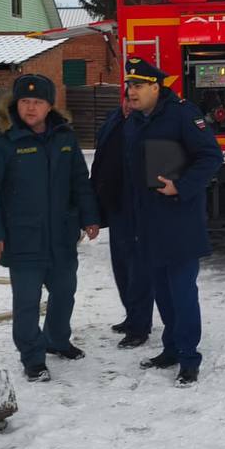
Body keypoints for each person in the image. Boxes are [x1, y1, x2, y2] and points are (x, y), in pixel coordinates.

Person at [0, 74, 101, 382]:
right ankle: (32, 356)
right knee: (27, 301)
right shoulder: (1, 140)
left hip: (61, 235)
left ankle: (57, 339)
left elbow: (80, 182)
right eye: (25, 101)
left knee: (65, 291)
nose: (31, 108)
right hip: (22, 236)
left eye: (38, 102)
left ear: (49, 105)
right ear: (16, 104)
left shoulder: (64, 137)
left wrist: (90, 217)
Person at [120, 57, 223, 387]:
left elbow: (210, 156)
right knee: (162, 293)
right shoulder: (136, 120)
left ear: (155, 87)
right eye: (128, 85)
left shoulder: (182, 114)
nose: (130, 91)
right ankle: (171, 349)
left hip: (179, 220)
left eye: (137, 85)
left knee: (181, 292)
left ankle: (189, 358)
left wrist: (182, 185)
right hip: (148, 222)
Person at [89, 100, 154, 348]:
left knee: (139, 270)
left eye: (136, 96)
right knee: (122, 267)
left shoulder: (149, 123)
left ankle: (140, 326)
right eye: (128, 96)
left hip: (138, 207)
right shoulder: (113, 119)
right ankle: (131, 316)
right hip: (115, 205)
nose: (130, 102)